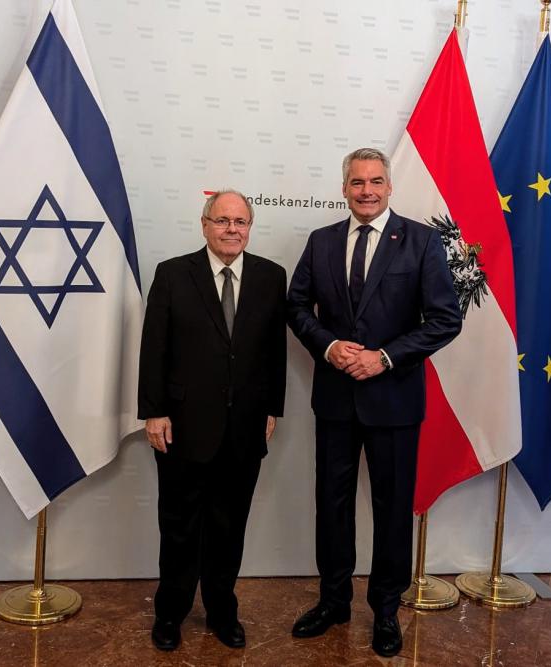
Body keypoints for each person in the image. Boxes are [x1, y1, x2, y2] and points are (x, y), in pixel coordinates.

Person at [287, 148, 462, 657]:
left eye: (376, 181)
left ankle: (386, 610)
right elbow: (296, 305)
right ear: (344, 188)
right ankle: (333, 601)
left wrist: (385, 357)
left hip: (395, 401)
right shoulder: (320, 242)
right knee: (332, 506)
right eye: (357, 182)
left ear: (389, 187)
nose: (366, 190)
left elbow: (445, 320)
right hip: (337, 401)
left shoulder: (422, 241)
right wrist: (328, 345)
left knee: (390, 511)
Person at [138, 190, 287, 651]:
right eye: (222, 220)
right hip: (181, 426)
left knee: (229, 526)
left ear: (250, 227)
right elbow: (153, 347)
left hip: (245, 427)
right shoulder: (172, 274)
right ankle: (171, 614)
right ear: (204, 224)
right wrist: (154, 411)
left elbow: (273, 351)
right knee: (180, 526)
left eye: (240, 222)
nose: (231, 230)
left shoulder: (270, 276)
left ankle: (222, 610)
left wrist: (272, 408)